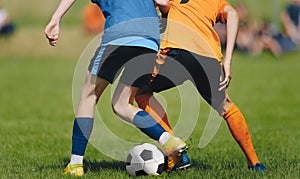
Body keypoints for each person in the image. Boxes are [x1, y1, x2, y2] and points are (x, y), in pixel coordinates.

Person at [45, 0, 188, 176]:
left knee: (89, 95)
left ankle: (75, 164)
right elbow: (164, 3)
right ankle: (168, 140)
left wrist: (56, 17)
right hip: (150, 41)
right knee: (121, 104)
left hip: (119, 35)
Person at [135, 0, 266, 171]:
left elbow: (162, 2)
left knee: (140, 91)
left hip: (178, 51)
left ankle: (175, 150)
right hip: (207, 56)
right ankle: (255, 163)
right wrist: (227, 61)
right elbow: (233, 15)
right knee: (226, 107)